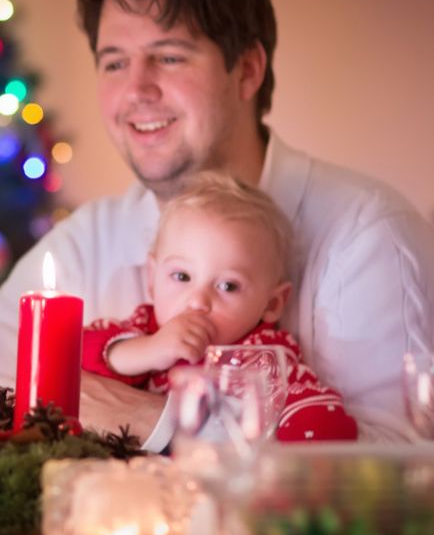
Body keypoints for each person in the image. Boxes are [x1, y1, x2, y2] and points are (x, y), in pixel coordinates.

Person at [0, 0, 434, 448]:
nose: (136, 89)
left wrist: (155, 420)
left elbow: (401, 470)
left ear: (247, 71)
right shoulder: (86, 240)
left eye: (169, 56)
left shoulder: (368, 234)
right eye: (114, 62)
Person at [82, 171, 357, 441]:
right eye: (182, 277)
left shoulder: (265, 359)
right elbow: (75, 354)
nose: (198, 301)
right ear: (152, 279)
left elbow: (324, 429)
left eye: (228, 286)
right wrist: (149, 350)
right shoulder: (142, 327)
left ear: (272, 304)